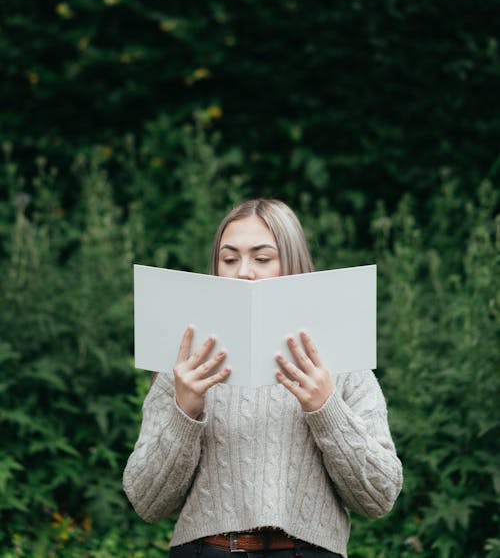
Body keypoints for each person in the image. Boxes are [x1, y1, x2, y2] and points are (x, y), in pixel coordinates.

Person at [123, 199, 403, 558]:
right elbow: (147, 502)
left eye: (262, 258)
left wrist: (326, 408)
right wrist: (185, 411)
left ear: (293, 265)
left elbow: (379, 496)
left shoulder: (341, 356)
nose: (244, 272)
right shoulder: (188, 361)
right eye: (229, 259)